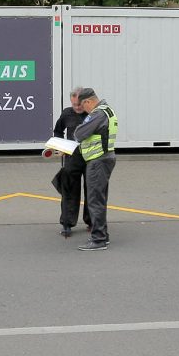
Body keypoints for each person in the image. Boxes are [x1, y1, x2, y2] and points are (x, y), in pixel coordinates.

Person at [72, 88, 118, 250]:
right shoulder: (108, 110)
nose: (83, 110)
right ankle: (102, 236)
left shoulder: (97, 114)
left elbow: (79, 133)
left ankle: (98, 239)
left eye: (83, 106)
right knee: (100, 198)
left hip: (98, 160)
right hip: (105, 158)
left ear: (88, 101)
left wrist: (79, 130)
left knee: (95, 200)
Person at [52, 87, 90, 237]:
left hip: (91, 157)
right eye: (74, 104)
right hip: (72, 157)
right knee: (69, 191)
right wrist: (60, 145)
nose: (77, 108)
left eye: (79, 105)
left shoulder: (94, 114)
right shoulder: (67, 113)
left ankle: (92, 221)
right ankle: (67, 223)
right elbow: (58, 131)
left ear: (86, 102)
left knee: (92, 191)